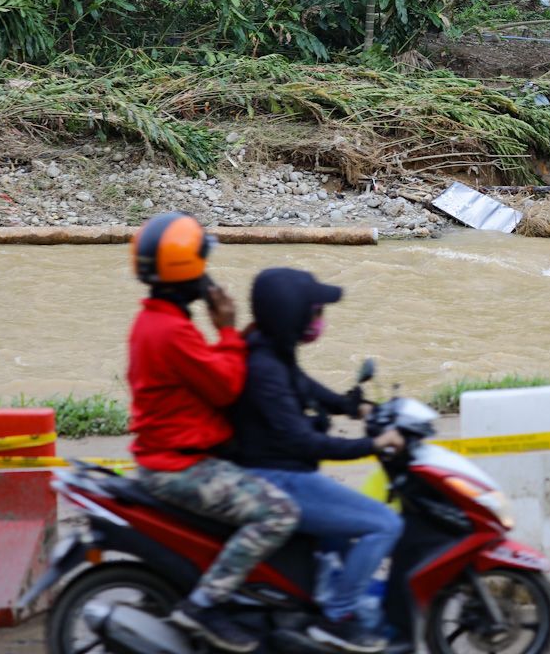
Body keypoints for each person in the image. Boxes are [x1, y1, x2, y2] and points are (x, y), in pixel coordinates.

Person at [127, 212, 300, 654]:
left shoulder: (154, 322)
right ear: (188, 272)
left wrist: (227, 339)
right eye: (201, 265)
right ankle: (204, 605)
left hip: (166, 454)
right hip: (180, 465)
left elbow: (203, 376)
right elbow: (225, 387)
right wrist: (226, 327)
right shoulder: (173, 332)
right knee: (278, 512)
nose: (207, 273)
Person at [229, 268, 405, 654]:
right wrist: (371, 446)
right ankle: (337, 618)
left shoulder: (271, 351)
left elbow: (307, 388)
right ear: (293, 316)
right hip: (280, 480)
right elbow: (304, 441)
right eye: (315, 312)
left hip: (285, 474)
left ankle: (335, 602)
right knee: (384, 524)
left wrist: (353, 406)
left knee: (343, 537)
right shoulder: (265, 368)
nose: (319, 320)